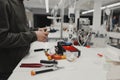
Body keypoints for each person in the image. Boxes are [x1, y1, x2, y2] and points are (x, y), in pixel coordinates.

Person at [0, 0, 49, 80]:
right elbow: (2, 38)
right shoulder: (3, 2)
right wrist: (34, 35)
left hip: (20, 61)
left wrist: (36, 30)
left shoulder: (19, 2)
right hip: (8, 69)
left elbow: (19, 29)